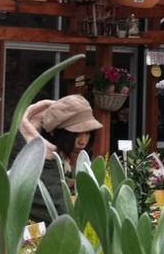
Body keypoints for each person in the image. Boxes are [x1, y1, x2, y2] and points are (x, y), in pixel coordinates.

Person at [17, 95, 102, 223]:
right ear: (55, 131)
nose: (83, 141)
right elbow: (61, 216)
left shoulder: (45, 150)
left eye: (87, 133)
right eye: (76, 134)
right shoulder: (38, 161)